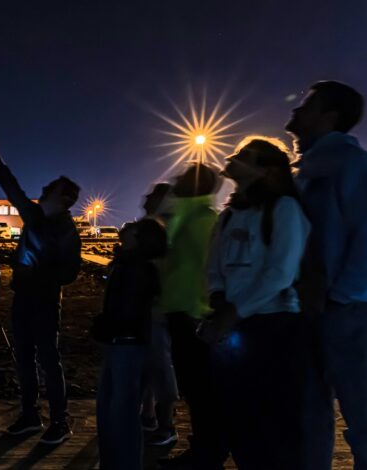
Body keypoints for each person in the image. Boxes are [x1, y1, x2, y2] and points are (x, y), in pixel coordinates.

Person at [201, 137, 311, 469]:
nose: (232, 157)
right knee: (240, 423)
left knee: (272, 426)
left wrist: (233, 312)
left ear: (266, 170)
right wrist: (219, 300)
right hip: (234, 326)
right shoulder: (230, 214)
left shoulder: (285, 209)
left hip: (273, 327)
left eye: (244, 155)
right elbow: (213, 267)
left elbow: (280, 273)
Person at [287, 80, 367, 469]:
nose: (295, 112)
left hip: (348, 313)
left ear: (329, 117)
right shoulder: (307, 171)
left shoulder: (354, 167)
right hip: (310, 311)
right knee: (307, 416)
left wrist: (340, 295)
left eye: (307, 106)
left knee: (364, 418)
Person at [0, 128, 82, 445]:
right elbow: (10, 186)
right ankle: (29, 415)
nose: (44, 188)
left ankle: (60, 420)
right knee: (24, 358)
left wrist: (37, 275)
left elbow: (69, 273)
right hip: (23, 298)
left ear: (65, 199)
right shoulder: (34, 215)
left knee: (49, 360)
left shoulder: (67, 232)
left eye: (51, 188)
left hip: (44, 302)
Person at [156, 163, 229, 469]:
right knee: (196, 391)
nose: (176, 180)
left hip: (191, 316)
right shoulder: (187, 215)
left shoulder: (201, 219)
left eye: (185, 177)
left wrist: (199, 314)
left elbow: (206, 271)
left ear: (199, 185)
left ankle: (208, 455)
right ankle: (204, 450)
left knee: (201, 392)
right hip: (181, 312)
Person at [93, 218, 167, 469]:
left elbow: (131, 310)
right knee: (111, 410)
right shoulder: (129, 264)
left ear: (140, 238)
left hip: (128, 344)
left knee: (121, 413)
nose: (127, 226)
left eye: (134, 227)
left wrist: (108, 324)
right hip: (121, 342)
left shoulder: (137, 268)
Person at [139, 182, 179, 447]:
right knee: (149, 366)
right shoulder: (153, 225)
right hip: (148, 308)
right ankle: (148, 416)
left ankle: (166, 425)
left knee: (162, 368)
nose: (146, 197)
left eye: (153, 194)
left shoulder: (168, 228)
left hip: (160, 308)